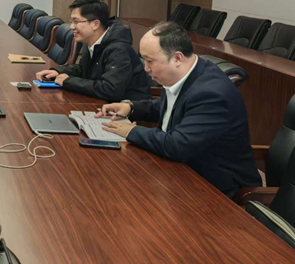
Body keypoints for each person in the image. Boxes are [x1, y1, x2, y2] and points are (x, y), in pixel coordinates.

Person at [97, 21, 261, 198]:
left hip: (216, 190)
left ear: (177, 58)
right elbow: (171, 107)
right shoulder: (184, 74)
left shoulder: (211, 93)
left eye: (150, 61)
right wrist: (131, 107)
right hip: (179, 171)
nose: (146, 68)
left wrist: (131, 131)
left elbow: (178, 145)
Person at [35, 0, 150, 101]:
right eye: (72, 22)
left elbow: (110, 89)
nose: (72, 27)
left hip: (129, 111)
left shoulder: (118, 49)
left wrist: (68, 81)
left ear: (95, 24)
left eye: (76, 21)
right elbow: (83, 69)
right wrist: (59, 71)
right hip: (102, 104)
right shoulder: (91, 40)